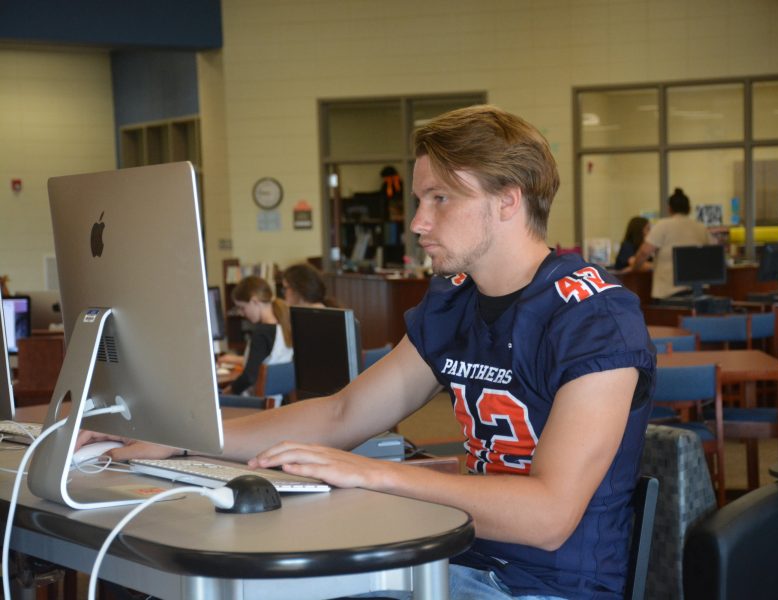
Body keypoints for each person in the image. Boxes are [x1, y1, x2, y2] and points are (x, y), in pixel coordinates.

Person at [87, 105, 655, 600]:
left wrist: (372, 475)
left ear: (508, 201)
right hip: (454, 562)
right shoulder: (454, 303)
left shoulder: (595, 319)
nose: (418, 223)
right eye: (418, 199)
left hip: (549, 588)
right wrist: (182, 435)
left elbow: (548, 516)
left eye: (441, 198)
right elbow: (342, 414)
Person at [628, 187, 713, 299]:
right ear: (689, 209)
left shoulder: (663, 225)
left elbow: (644, 252)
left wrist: (635, 267)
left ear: (669, 209)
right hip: (698, 290)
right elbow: (712, 254)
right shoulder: (701, 228)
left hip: (670, 291)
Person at [219, 275, 293, 396]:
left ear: (254, 301)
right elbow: (264, 361)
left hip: (256, 403)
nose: (242, 313)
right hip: (278, 401)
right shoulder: (283, 326)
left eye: (242, 307)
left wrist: (226, 393)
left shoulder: (261, 333)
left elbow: (249, 377)